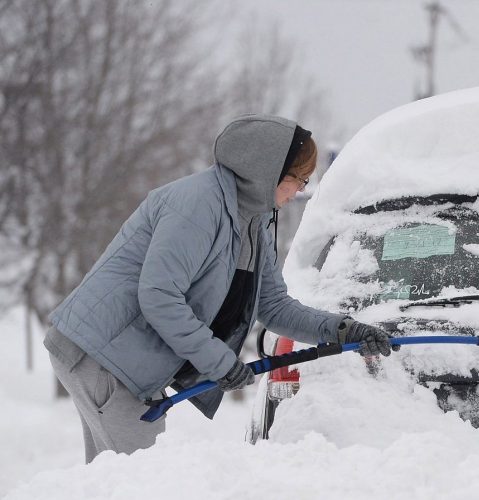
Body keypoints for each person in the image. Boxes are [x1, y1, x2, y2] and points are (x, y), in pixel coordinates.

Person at [44, 114, 393, 463]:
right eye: (298, 179)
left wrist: (343, 329)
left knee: (110, 480)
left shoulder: (253, 224)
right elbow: (160, 296)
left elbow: (273, 307)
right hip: (102, 356)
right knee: (137, 480)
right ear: (268, 170)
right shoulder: (199, 205)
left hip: (112, 357)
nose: (300, 190)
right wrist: (220, 362)